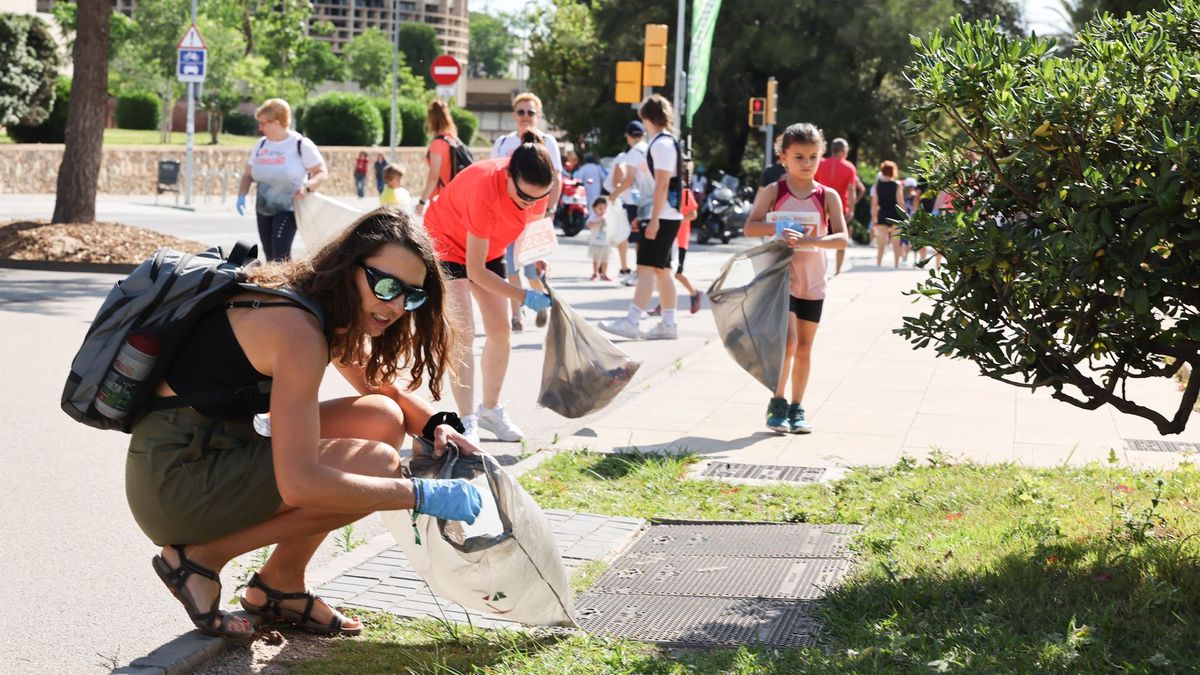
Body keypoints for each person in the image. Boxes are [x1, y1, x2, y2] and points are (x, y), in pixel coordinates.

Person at [129, 208, 483, 639]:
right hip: (177, 481)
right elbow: (299, 483)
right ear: (349, 266)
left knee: (381, 418)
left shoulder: (309, 301)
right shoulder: (298, 331)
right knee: (378, 465)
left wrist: (437, 425)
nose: (394, 306)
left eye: (410, 296)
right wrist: (419, 493)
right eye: (386, 286)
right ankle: (201, 559)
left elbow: (377, 388)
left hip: (201, 451)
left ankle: (282, 584)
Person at [423, 132, 555, 444]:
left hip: (488, 249)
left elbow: (530, 230)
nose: (530, 204)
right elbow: (475, 271)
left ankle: (491, 410)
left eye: (538, 198)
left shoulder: (537, 189)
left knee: (500, 332)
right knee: (464, 333)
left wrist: (536, 259)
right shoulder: (484, 190)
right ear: (508, 175)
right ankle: (466, 420)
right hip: (445, 244)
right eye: (524, 198)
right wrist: (522, 296)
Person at [743, 123, 848, 434]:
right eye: (799, 156)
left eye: (813, 157)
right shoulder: (774, 191)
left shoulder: (828, 196)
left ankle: (797, 407)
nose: (807, 163)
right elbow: (751, 227)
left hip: (813, 280)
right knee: (787, 343)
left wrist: (811, 241)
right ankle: (777, 401)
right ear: (783, 158)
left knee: (804, 347)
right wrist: (779, 227)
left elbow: (842, 238)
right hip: (782, 278)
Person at [600, 94, 685, 341]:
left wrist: (654, 219)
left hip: (663, 215)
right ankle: (668, 323)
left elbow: (661, 185)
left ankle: (633, 320)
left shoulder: (661, 145)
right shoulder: (665, 143)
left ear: (646, 117)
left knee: (646, 268)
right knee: (661, 270)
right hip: (665, 214)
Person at [491, 93, 562, 333]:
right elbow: (494, 178)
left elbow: (556, 179)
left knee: (532, 271)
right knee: (511, 268)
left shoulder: (548, 142)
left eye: (530, 112)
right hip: (508, 218)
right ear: (514, 115)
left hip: (534, 219)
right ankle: (516, 316)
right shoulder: (503, 143)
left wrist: (549, 213)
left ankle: (539, 298)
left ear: (538, 115)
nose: (525, 117)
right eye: (521, 112)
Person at [236, 98, 329, 261]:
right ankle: (272, 285)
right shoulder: (261, 145)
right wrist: (241, 196)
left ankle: (285, 285)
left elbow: (321, 172)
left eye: (263, 123)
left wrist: (307, 187)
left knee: (280, 254)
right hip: (264, 206)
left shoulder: (300, 144)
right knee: (269, 253)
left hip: (288, 207)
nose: (260, 127)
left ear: (276, 123)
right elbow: (247, 174)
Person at [605, 120, 651, 286]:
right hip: (650, 199)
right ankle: (644, 273)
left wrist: (615, 194)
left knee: (639, 240)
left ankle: (640, 273)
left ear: (627, 136)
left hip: (635, 201)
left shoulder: (633, 153)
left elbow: (629, 180)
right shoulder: (648, 149)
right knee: (644, 239)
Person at [814, 138, 865, 275]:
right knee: (842, 238)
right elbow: (851, 190)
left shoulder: (820, 163)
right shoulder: (849, 167)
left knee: (819, 237)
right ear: (843, 151)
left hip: (820, 204)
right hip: (840, 207)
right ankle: (837, 270)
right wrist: (852, 209)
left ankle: (820, 269)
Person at [415, 99, 461, 217]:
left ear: (431, 119)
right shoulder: (453, 140)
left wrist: (421, 202)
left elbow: (434, 177)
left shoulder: (437, 144)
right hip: (455, 197)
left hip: (440, 200)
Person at [871, 161, 906, 267]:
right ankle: (896, 264)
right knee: (896, 242)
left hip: (882, 214)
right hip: (895, 214)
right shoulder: (897, 185)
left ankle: (879, 264)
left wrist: (874, 218)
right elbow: (900, 202)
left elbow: (874, 203)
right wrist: (905, 216)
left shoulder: (878, 185)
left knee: (881, 242)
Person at [574, 153, 606, 217]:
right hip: (597, 190)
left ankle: (589, 220)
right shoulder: (598, 167)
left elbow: (578, 179)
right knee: (596, 205)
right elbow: (604, 178)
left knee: (587, 205)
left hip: (586, 191)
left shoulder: (583, 168)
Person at [587, 197, 611, 281]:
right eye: (600, 208)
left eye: (605, 208)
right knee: (596, 260)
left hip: (606, 243)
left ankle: (604, 274)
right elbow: (590, 225)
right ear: (595, 208)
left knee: (605, 260)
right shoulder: (593, 217)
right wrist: (599, 222)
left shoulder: (608, 217)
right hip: (595, 242)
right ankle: (595, 273)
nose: (603, 210)